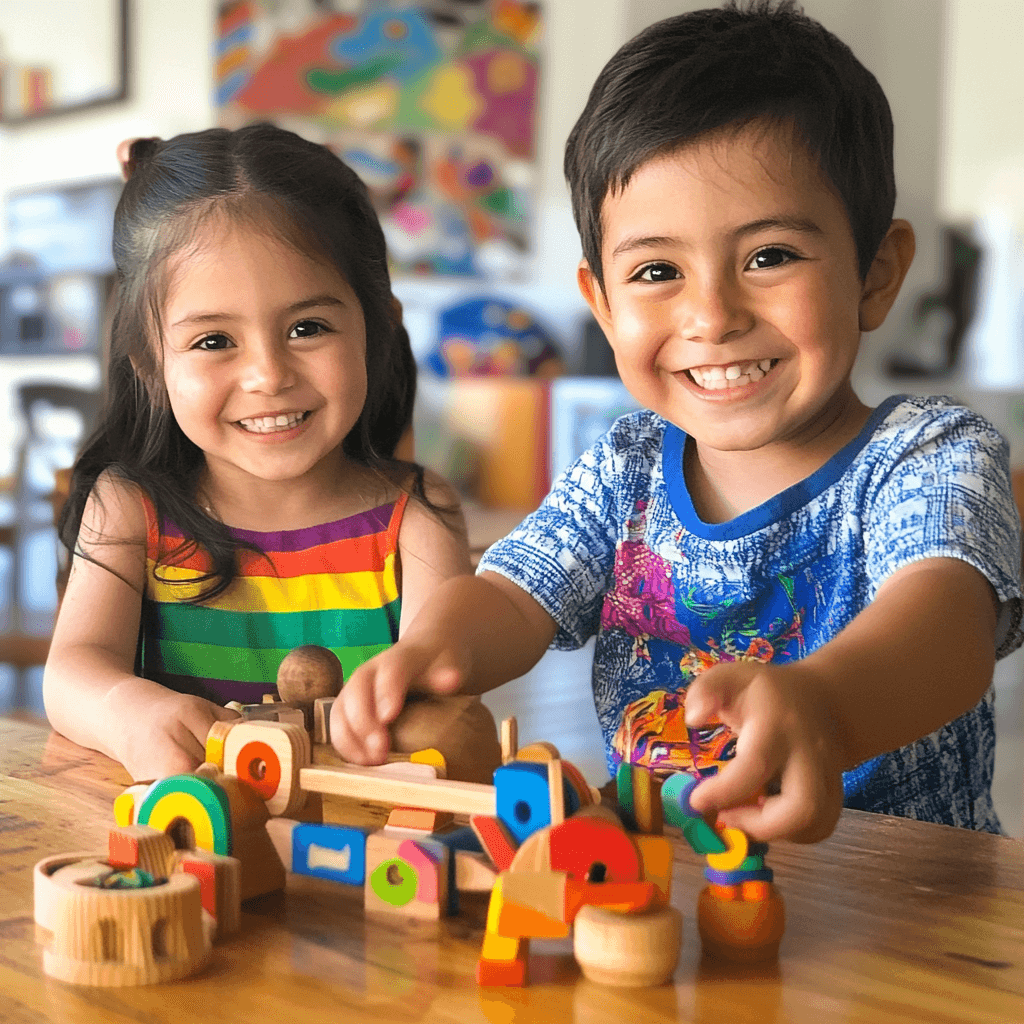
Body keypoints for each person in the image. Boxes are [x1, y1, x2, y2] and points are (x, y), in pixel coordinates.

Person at [331, 0, 1023, 842]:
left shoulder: (931, 454)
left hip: (910, 908)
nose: (711, 315)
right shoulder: (621, 467)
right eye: (657, 270)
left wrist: (826, 706)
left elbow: (946, 627)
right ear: (604, 304)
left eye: (769, 257)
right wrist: (431, 650)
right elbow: (510, 598)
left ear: (876, 275)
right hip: (665, 888)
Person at [43, 124, 470, 782]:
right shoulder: (132, 508)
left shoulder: (418, 515)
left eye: (308, 328)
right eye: (214, 341)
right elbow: (71, 675)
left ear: (377, 329)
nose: (268, 375)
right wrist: (129, 713)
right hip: (190, 848)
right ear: (152, 367)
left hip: (370, 853)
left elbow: (444, 701)